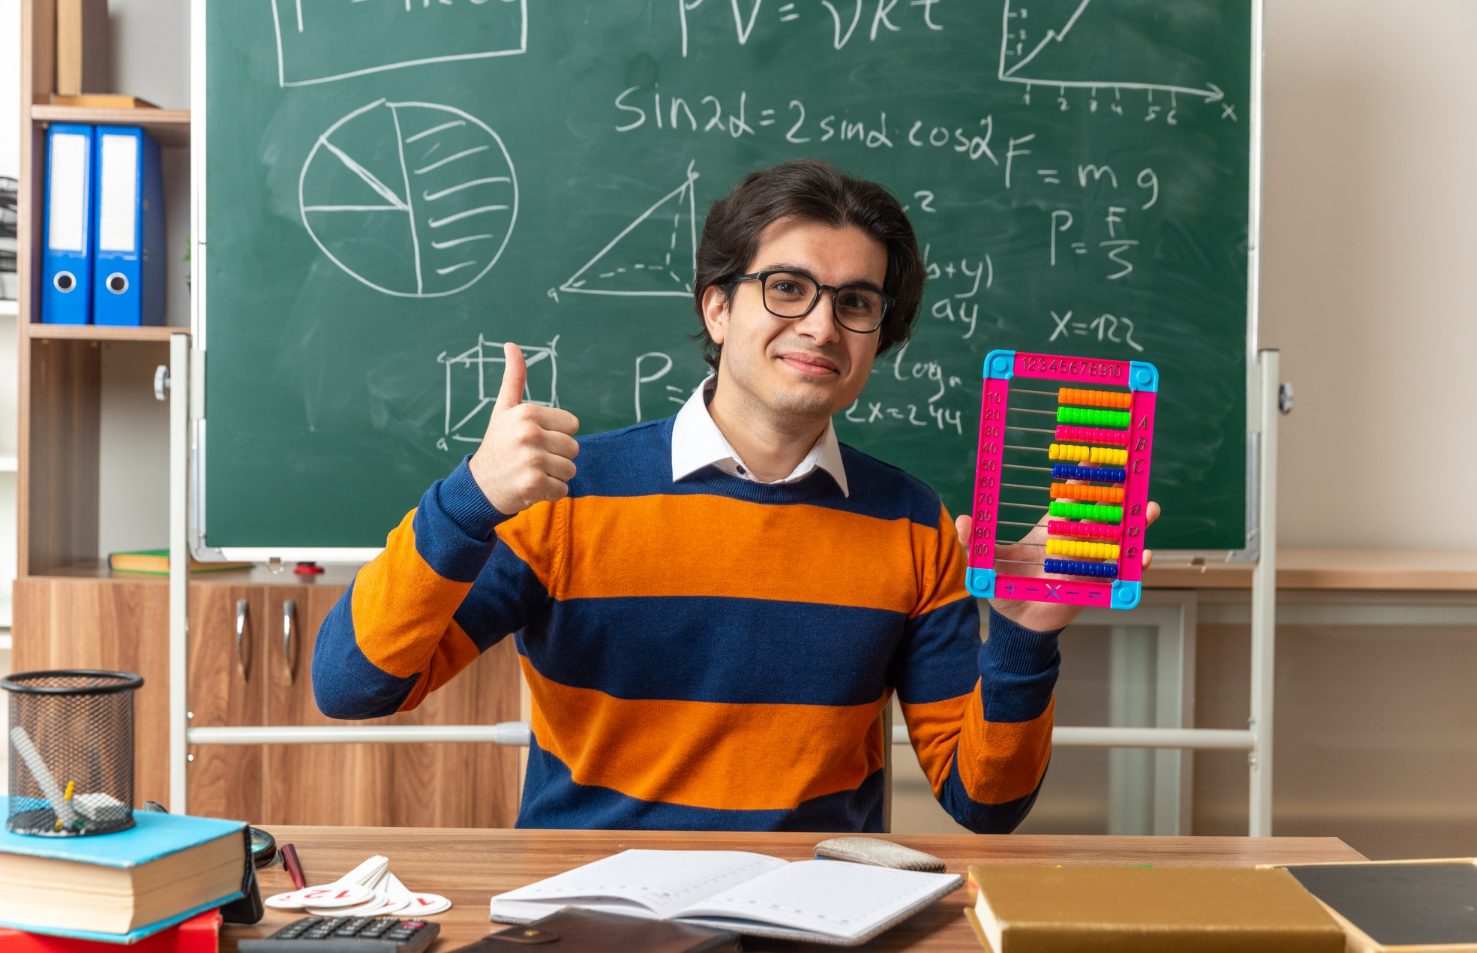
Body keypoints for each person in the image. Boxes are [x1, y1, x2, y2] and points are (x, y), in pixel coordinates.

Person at [312, 158, 1156, 832]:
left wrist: (1020, 638)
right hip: (593, 915)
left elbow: (985, 803)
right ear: (717, 307)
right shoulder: (563, 498)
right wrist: (467, 500)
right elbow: (352, 686)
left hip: (819, 921)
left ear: (877, 339)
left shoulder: (912, 524)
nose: (822, 326)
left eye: (856, 303)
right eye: (787, 288)